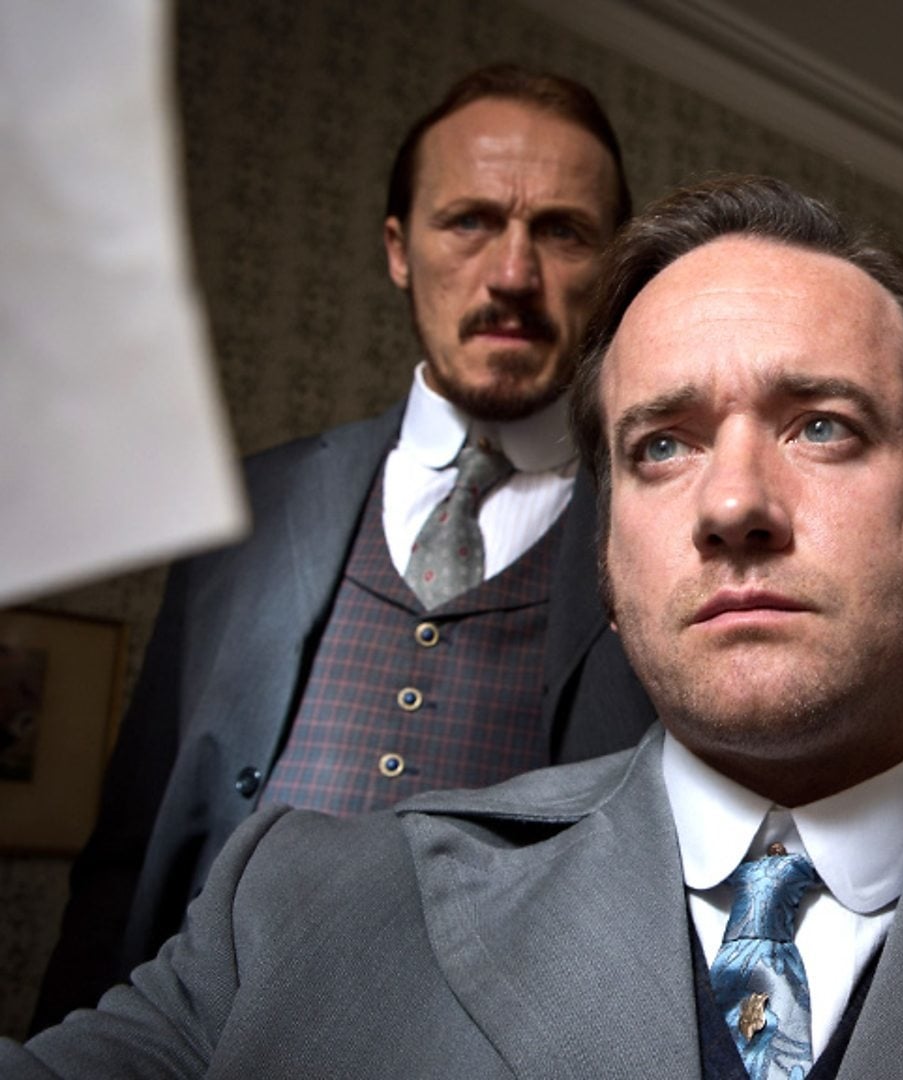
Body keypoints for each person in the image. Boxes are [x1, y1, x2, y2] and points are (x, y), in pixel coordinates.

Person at [4, 174, 903, 1079]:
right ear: (607, 551)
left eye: (822, 426)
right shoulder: (302, 910)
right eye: (662, 445)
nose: (734, 505)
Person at [32, 64, 657, 1030]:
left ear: (612, 269)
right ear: (399, 250)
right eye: (470, 221)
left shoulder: (664, 538)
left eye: (563, 231)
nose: (511, 275)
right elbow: (127, 855)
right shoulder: (246, 511)